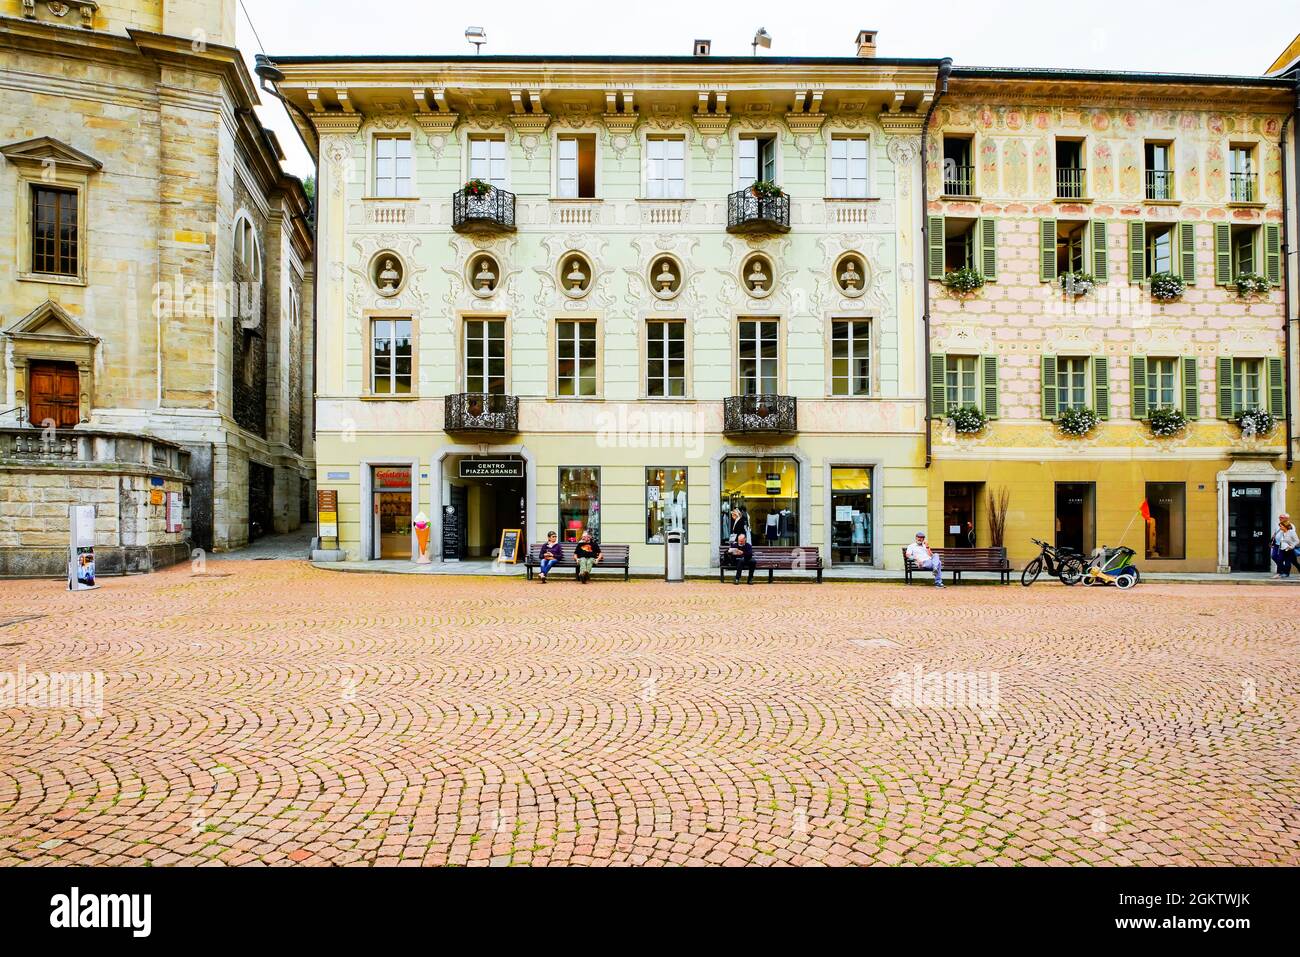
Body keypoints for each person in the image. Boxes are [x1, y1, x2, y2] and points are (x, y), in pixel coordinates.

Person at [1271, 514, 1299, 579]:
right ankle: (1281, 572)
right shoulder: (1279, 526)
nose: (1280, 518)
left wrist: (1291, 546)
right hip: (1279, 546)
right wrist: (1272, 541)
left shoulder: (1291, 528)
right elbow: (1275, 533)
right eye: (1279, 517)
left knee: (1292, 562)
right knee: (1277, 558)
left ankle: (1285, 573)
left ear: (1286, 519)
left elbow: (1295, 539)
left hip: (1288, 547)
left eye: (1282, 517)